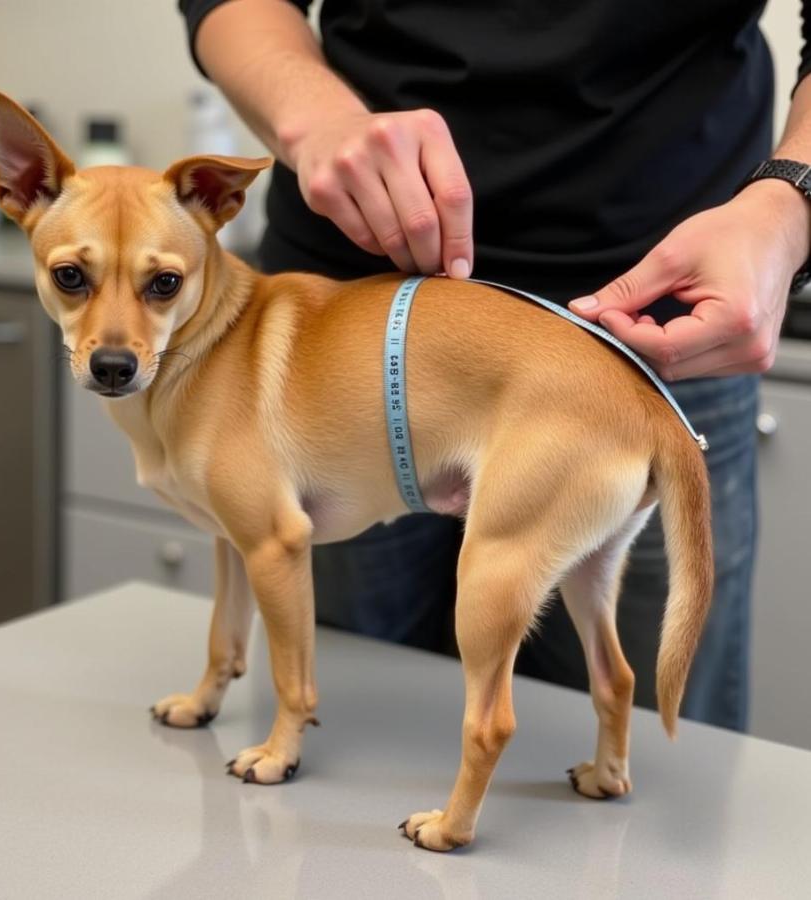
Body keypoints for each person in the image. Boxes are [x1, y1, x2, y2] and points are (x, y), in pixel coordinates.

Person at [177, 0, 811, 731]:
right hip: (348, 329)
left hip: (663, 325)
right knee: (355, 727)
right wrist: (313, 116)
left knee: (664, 766)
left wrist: (790, 202)